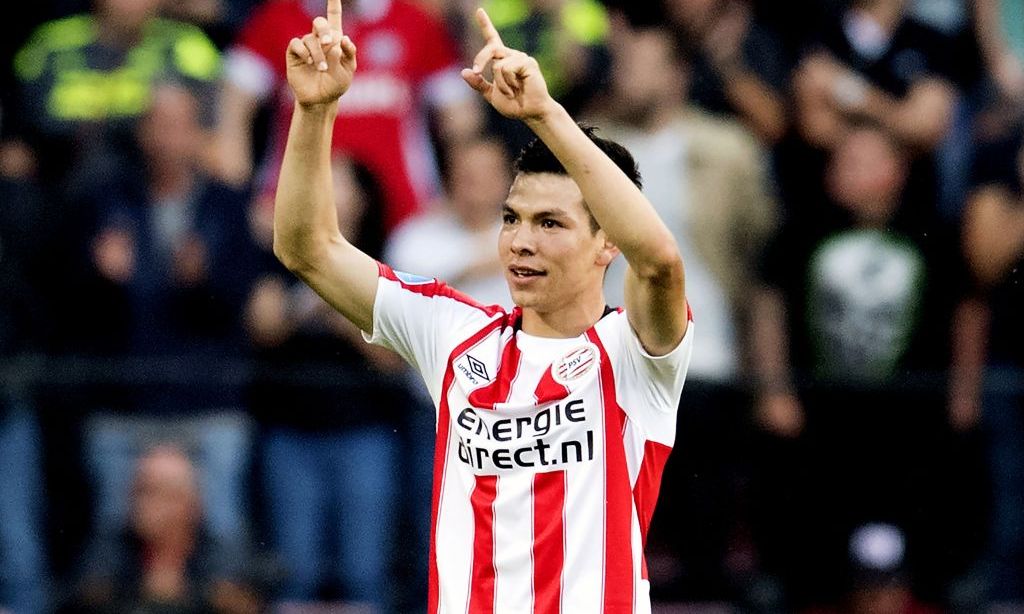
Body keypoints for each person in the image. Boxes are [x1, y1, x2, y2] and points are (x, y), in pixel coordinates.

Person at [272, 2, 693, 612]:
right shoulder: (453, 332)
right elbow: (306, 248)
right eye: (512, 219)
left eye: (550, 223)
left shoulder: (636, 353)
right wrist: (315, 111)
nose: (521, 241)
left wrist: (545, 115)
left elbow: (658, 262)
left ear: (608, 243)